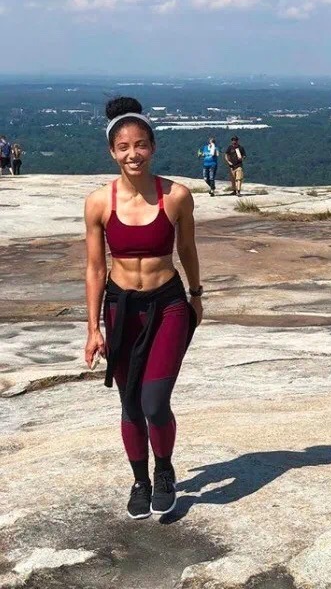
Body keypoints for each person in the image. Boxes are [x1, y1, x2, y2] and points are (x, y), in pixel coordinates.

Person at [84, 96, 203, 520]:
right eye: (123, 147)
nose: (133, 154)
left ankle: (164, 470)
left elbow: (187, 249)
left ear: (152, 147)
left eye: (140, 145)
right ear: (112, 152)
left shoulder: (176, 196)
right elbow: (95, 268)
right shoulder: (99, 202)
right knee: (130, 404)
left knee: (154, 402)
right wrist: (93, 328)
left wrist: (196, 295)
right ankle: (140, 481)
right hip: (121, 310)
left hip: (167, 304)